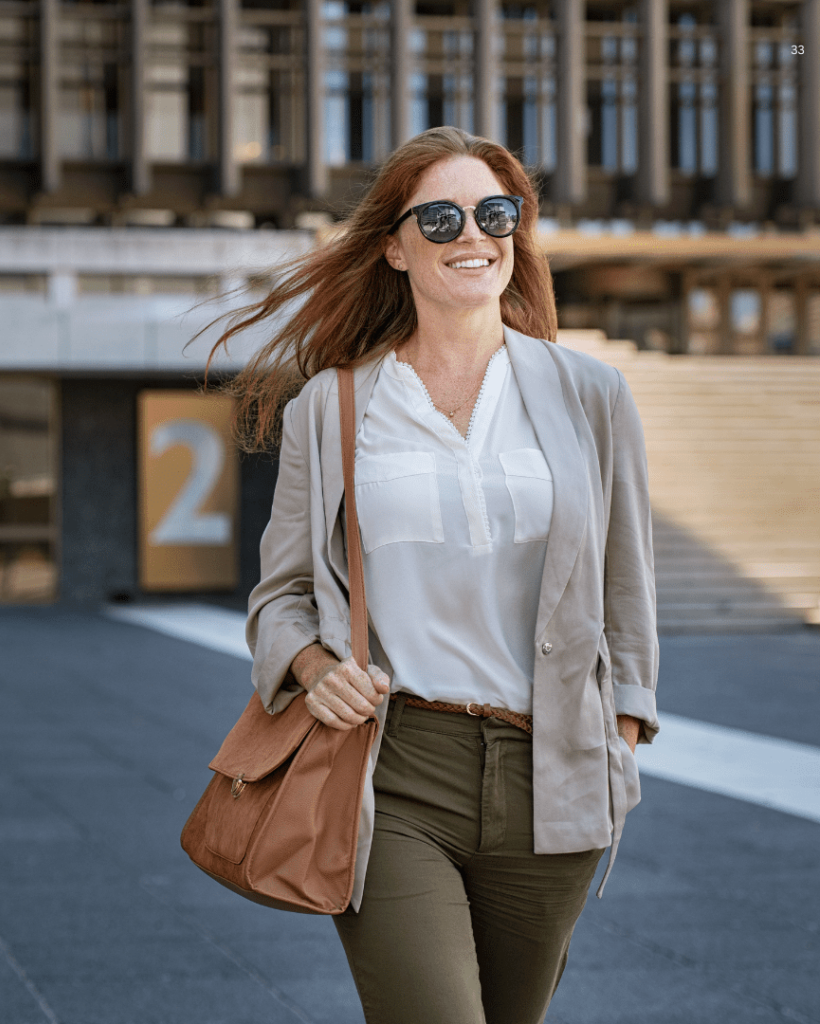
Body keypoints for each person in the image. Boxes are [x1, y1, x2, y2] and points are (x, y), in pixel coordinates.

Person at [206, 126, 659, 1024]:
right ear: (394, 245)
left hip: (554, 771)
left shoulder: (591, 394)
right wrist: (310, 669)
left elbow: (626, 582)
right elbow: (282, 595)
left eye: (495, 213)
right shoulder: (330, 407)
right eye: (441, 217)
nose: (473, 236)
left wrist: (623, 729)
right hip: (395, 768)